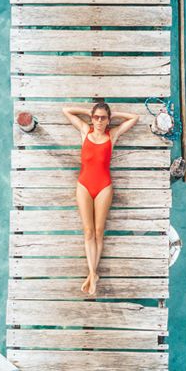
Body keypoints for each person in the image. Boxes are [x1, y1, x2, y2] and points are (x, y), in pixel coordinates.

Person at [61, 102, 139, 295]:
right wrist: (88, 111)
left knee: (98, 230)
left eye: (103, 118)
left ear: (108, 120)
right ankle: (93, 273)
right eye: (96, 117)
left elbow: (134, 118)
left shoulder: (112, 135)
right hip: (84, 185)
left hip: (104, 186)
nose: (99, 121)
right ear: (91, 118)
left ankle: (92, 274)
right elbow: (66, 111)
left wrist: (112, 115)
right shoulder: (84, 130)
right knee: (88, 231)